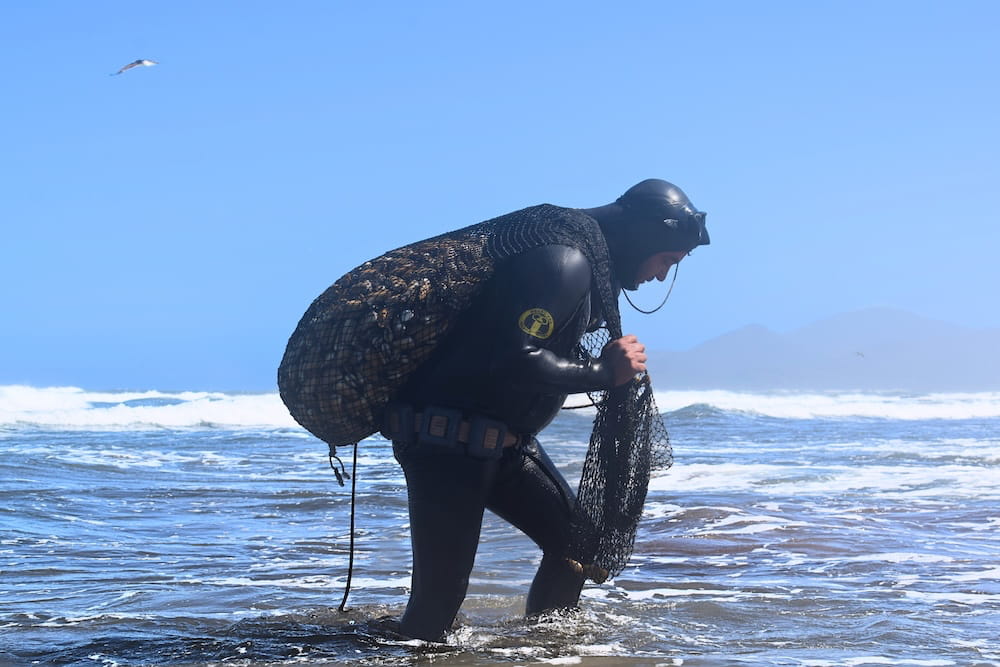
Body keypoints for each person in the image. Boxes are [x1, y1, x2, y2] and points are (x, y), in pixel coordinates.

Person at [375, 178, 710, 641]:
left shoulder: (584, 258)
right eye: (667, 261)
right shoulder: (564, 262)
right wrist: (602, 373)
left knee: (579, 547)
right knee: (435, 610)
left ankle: (541, 652)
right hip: (446, 444)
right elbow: (514, 357)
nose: (659, 275)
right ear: (648, 236)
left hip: (503, 447)